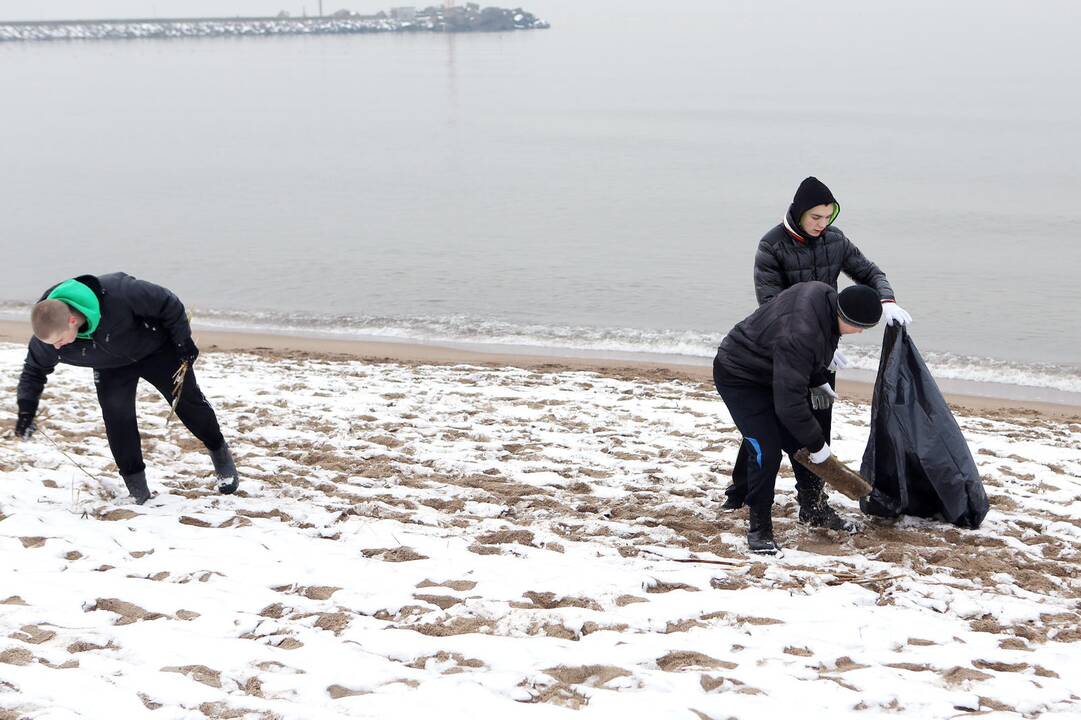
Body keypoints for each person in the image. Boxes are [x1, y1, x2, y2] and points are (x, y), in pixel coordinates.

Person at [722, 176, 912, 530]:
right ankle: (743, 489)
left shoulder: (835, 241)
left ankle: (812, 504)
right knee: (774, 419)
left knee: (814, 423)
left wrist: (885, 299)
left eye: (828, 217)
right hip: (784, 346)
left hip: (825, 347)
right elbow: (770, 304)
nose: (822, 225)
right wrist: (810, 341)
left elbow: (868, 272)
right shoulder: (772, 246)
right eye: (815, 218)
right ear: (798, 213)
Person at [14, 273, 239, 504]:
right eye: (52, 343)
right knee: (118, 420)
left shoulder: (119, 293)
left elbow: (167, 303)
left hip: (156, 350)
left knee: (189, 405)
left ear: (72, 321)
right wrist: (26, 410)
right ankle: (138, 491)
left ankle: (220, 454)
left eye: (60, 340)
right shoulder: (49, 339)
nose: (57, 346)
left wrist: (183, 343)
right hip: (110, 368)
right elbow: (33, 371)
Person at [714, 281, 882, 554]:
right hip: (739, 376)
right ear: (846, 317)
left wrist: (817, 378)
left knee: (801, 442)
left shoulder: (822, 295)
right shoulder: (801, 334)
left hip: (774, 369)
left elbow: (800, 348)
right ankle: (759, 529)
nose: (861, 332)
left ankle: (814, 510)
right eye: (861, 327)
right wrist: (818, 446)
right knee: (766, 451)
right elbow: (790, 405)